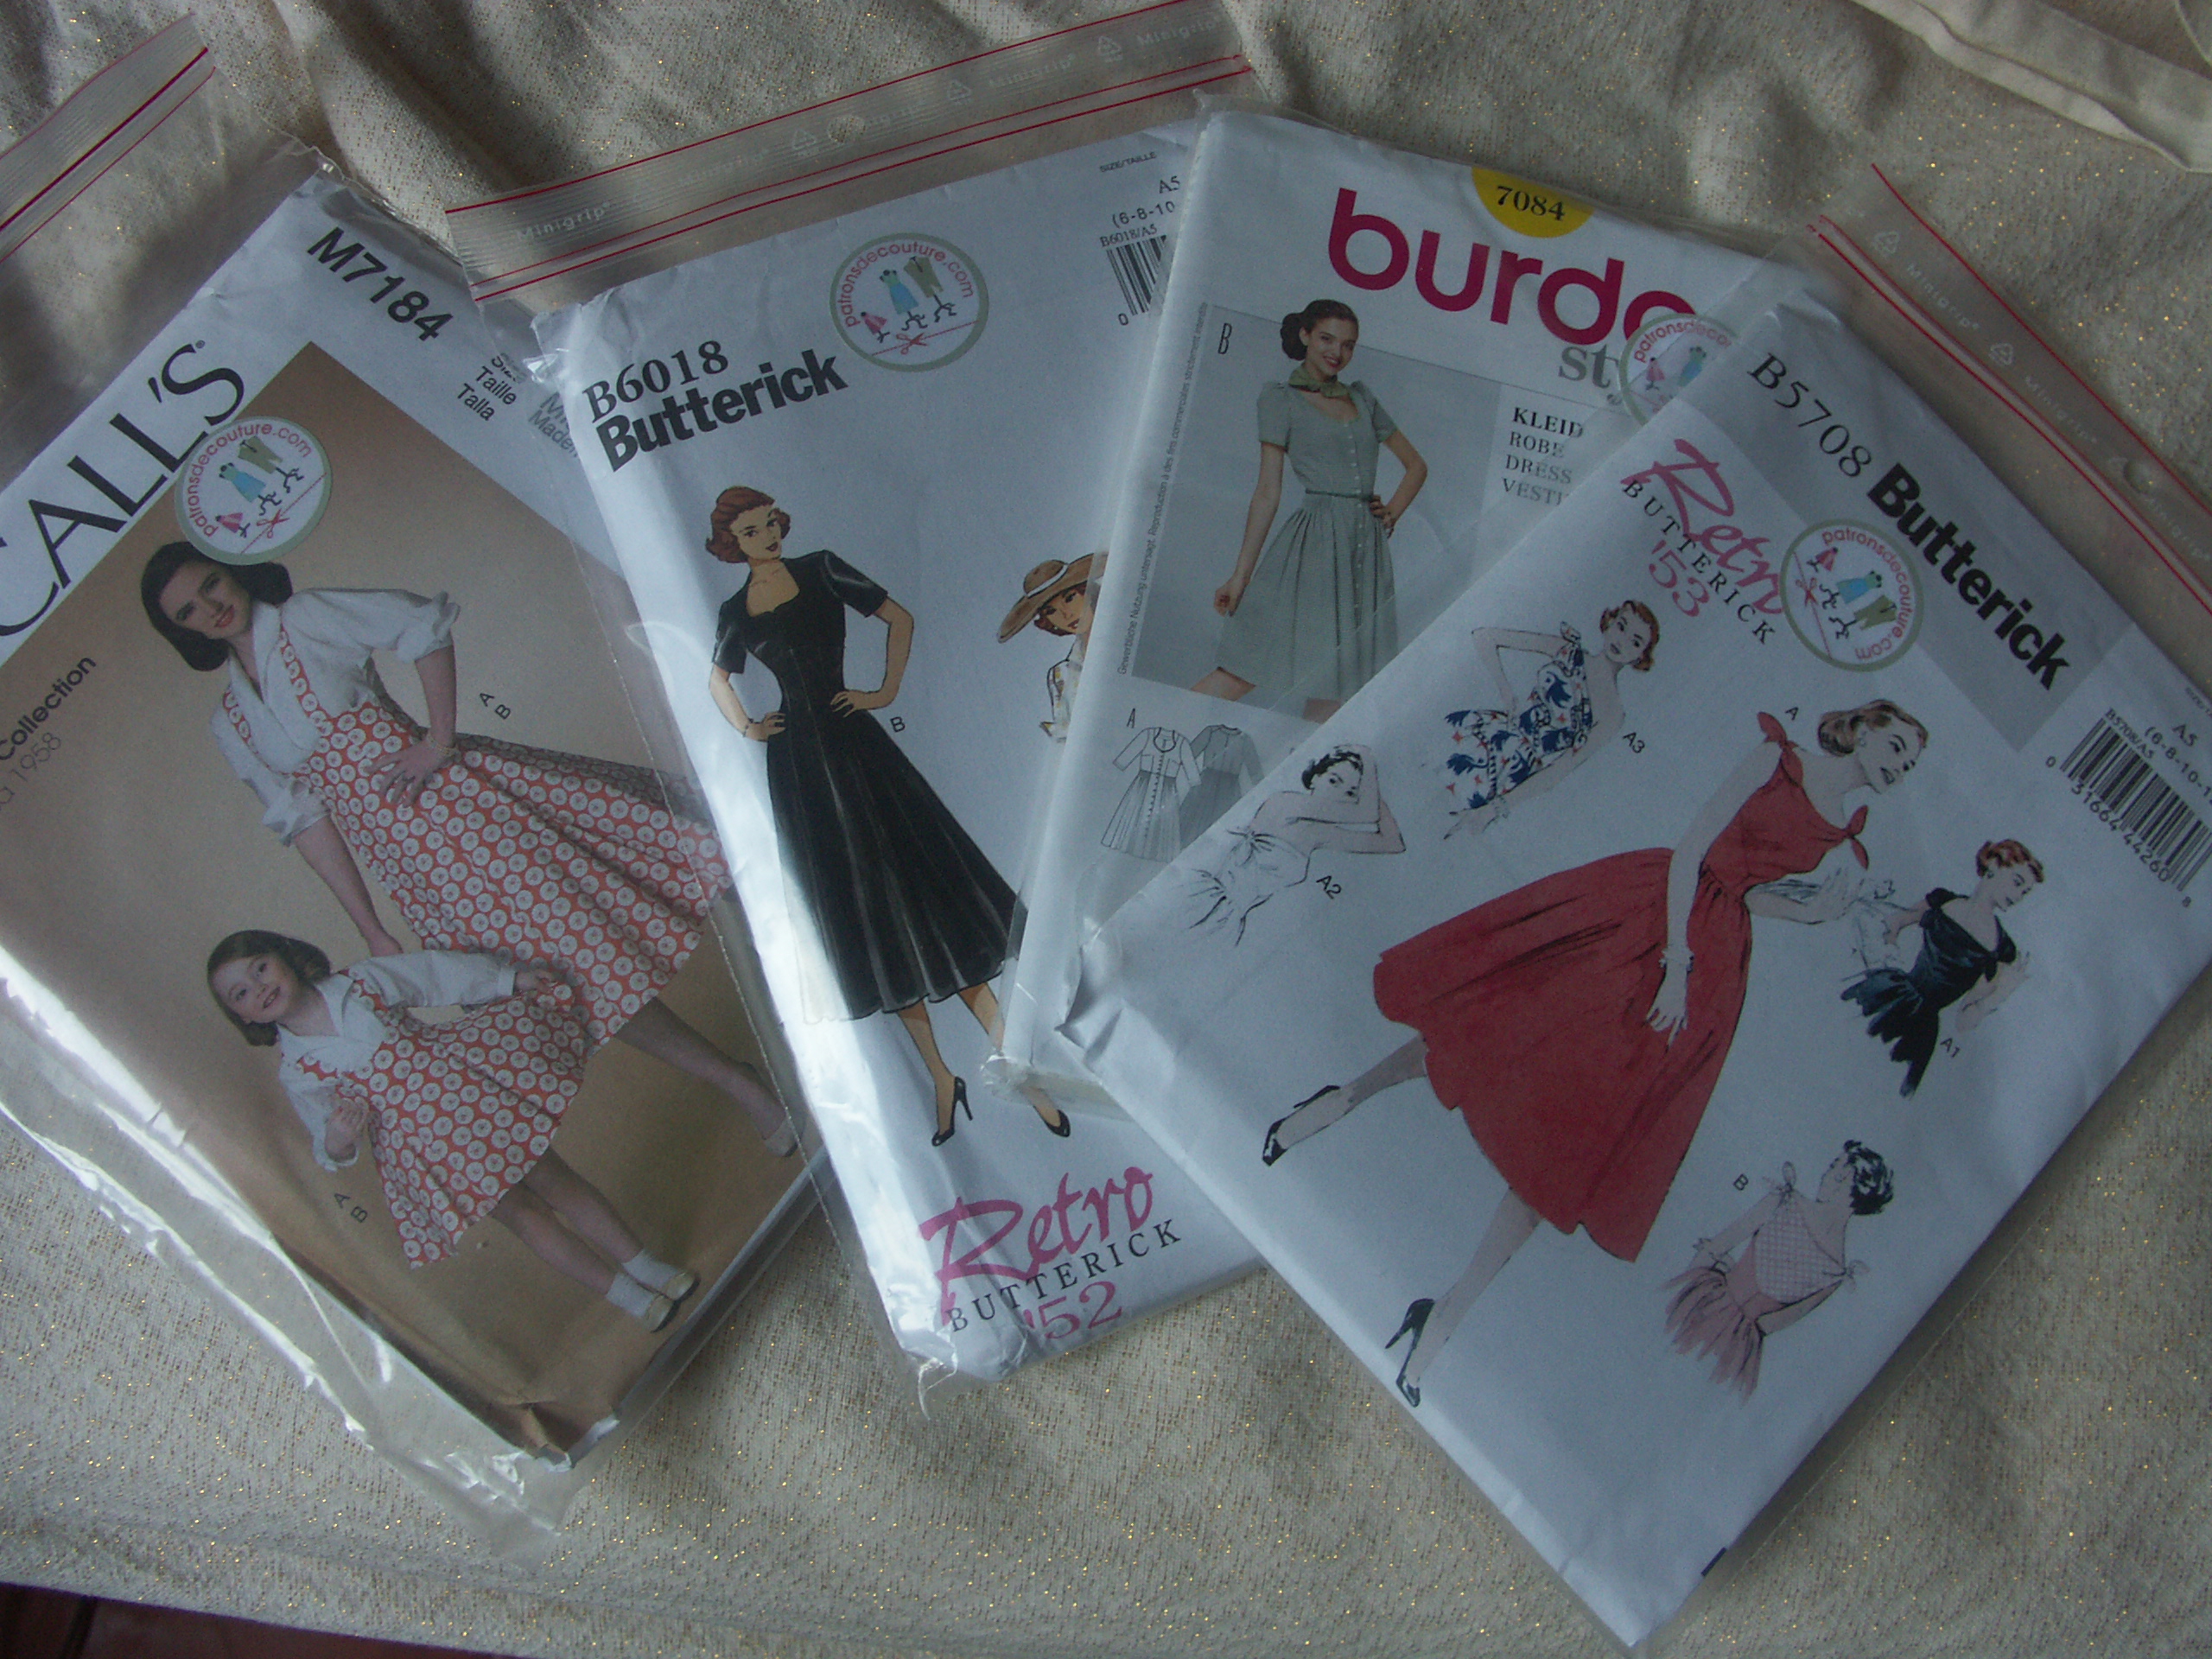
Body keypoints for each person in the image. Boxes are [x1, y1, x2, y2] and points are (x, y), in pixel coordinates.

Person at [1259, 700, 1929, 1406]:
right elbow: (1695, 849)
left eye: (1910, 763)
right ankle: (1341, 1100)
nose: (1900, 766)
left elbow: (1742, 891)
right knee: (1495, 1023)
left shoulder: (1838, 826)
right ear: (1864, 728)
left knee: (1577, 1145)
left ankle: (1446, 1316)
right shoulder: (1775, 756)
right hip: (1650, 922)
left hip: (1717, 963)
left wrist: (1806, 911)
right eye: (1897, 747)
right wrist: (1676, 965)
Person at [143, 544, 792, 1157]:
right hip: (416, 869)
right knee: (570, 982)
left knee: (663, 847)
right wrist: (371, 926)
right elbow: (309, 825)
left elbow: (420, 626)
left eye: (211, 584)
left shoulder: (306, 618)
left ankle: (802, 966)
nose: (211, 608)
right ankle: (737, 1081)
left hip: (465, 806)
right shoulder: (232, 723)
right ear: (182, 632)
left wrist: (438, 741)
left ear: (231, 571)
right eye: (188, 611)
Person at [703, 486, 1071, 1144]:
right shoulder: (735, 610)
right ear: (734, 544)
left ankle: (1021, 1065)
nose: (769, 535)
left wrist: (884, 692)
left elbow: (899, 618)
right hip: (800, 770)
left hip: (856, 747)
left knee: (924, 898)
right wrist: (751, 728)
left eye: (771, 523)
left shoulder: (821, 568)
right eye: (753, 531)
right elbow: (716, 681)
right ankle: (940, 1077)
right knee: (870, 922)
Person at [207, 930, 699, 1330]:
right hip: (427, 1149)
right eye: (242, 993)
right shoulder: (297, 1072)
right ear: (242, 1017)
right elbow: (326, 1143)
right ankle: (630, 1297)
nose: (259, 988)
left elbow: (433, 976)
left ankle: (645, 1265)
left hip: (468, 1096)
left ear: (286, 956)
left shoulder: (360, 983)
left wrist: (507, 979)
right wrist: (338, 1136)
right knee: (526, 1216)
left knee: (556, 1180)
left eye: (260, 968)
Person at [1193, 300, 1429, 722]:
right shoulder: (1280, 399)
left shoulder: (1363, 398)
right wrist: (1240, 576)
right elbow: (1268, 492)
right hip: (1314, 549)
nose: (1337, 352)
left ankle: (1300, 763)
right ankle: (1159, 723)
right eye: (1326, 339)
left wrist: (1391, 512)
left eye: (1348, 345)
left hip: (1365, 555)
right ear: (1304, 335)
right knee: (1246, 669)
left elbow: (1416, 466)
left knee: (1338, 685)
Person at [1664, 1141, 1893, 1395]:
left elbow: (1719, 1245)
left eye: (1833, 1166)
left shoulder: (1786, 1200)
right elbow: (1771, 1324)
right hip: (1736, 1343)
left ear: (1845, 1175)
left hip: (1705, 1302)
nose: (1825, 1174)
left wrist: (1689, 1287)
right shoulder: (1838, 1271)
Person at [1844, 838, 2042, 1095]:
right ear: (1993, 865)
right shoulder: (1943, 900)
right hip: (1888, 989)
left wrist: (2001, 993)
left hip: (1921, 1027)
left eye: (2025, 892)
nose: (2018, 896)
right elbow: (1895, 922)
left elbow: (1964, 1020)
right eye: (2017, 883)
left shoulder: (2002, 949)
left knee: (1880, 1089)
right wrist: (1886, 962)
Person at [1443, 601, 1659, 834]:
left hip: (1512, 773)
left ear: (1640, 657)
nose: (1622, 641)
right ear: (1610, 623)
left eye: (1635, 642)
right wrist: (1505, 690)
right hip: (1481, 738)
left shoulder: (1613, 713)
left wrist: (1493, 810)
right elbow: (1485, 637)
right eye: (1621, 626)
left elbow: (1561, 769)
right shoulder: (1568, 651)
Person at [1192, 746, 1404, 941]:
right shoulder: (1286, 804)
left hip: (1229, 920)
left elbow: (1392, 843)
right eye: (1333, 781)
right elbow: (1366, 814)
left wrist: (1373, 791)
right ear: (1315, 778)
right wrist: (1367, 758)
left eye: (1350, 793)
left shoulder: (1317, 833)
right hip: (1204, 904)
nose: (1338, 794)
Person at [998, 555, 1100, 741]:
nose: (1066, 614)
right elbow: (1066, 734)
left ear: (1086, 591)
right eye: (1051, 611)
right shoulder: (1061, 674)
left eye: (1069, 598)